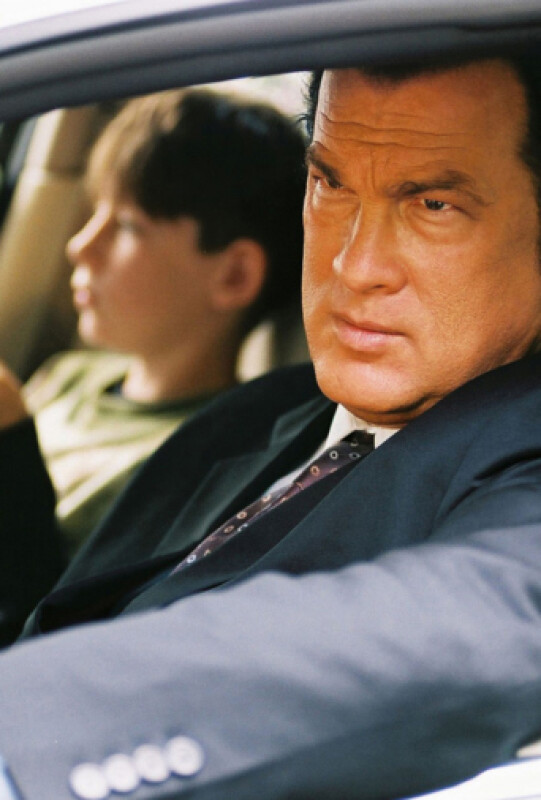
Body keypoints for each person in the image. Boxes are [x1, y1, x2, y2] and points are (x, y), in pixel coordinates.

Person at [1, 53, 541, 800]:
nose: (353, 264)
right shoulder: (258, 413)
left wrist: (26, 736)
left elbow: (492, 615)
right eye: (330, 184)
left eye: (432, 205)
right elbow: (72, 613)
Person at [0, 87, 306, 612]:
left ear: (233, 275)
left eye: (126, 226)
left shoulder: (203, 461)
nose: (80, 246)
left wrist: (9, 445)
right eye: (95, 212)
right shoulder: (68, 376)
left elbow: (52, 609)